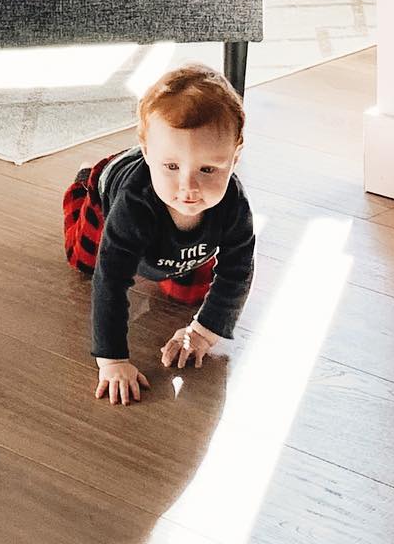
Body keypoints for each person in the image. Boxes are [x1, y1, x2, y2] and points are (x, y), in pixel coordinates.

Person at [62, 63, 255, 405]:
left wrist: (202, 333)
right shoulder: (133, 204)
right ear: (148, 153)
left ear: (235, 158)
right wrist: (112, 360)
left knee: (190, 294)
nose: (188, 188)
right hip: (107, 197)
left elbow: (236, 272)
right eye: (171, 166)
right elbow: (110, 280)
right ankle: (81, 184)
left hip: (181, 246)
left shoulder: (234, 206)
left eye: (208, 169)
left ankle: (172, 254)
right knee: (84, 260)